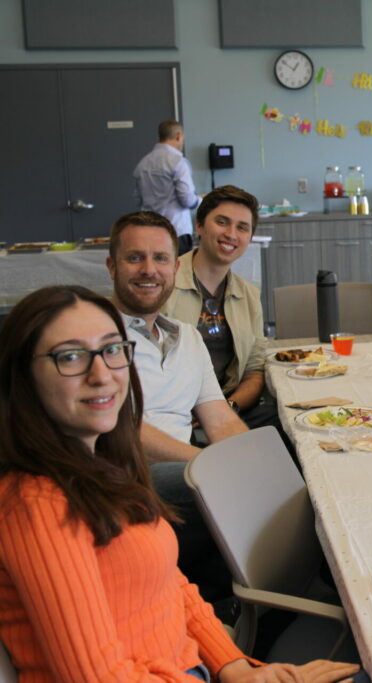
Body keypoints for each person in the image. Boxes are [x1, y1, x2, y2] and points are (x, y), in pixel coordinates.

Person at [0, 285, 359, 681]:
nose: (101, 375)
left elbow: (168, 583)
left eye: (112, 350)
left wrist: (235, 667)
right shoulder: (38, 504)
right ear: (22, 377)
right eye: (70, 356)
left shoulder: (102, 469)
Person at [107, 210, 247, 601]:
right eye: (135, 258)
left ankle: (265, 602)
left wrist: (257, 461)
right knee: (220, 490)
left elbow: (219, 418)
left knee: (288, 476)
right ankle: (233, 611)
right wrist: (205, 464)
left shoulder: (187, 336)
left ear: (176, 266)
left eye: (161, 259)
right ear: (111, 266)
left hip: (183, 464)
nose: (149, 270)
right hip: (123, 471)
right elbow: (122, 426)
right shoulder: (98, 333)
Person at [163, 185, 277, 430]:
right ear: (200, 226)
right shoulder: (163, 284)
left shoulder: (248, 294)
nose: (231, 234)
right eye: (222, 222)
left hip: (228, 408)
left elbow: (255, 369)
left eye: (242, 227)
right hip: (174, 413)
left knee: (289, 426)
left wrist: (228, 407)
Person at [133, 119, 201, 255]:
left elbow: (138, 199)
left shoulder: (143, 163)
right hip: (176, 231)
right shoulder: (178, 162)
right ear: (178, 136)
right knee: (179, 273)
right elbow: (187, 199)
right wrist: (201, 200)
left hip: (151, 231)